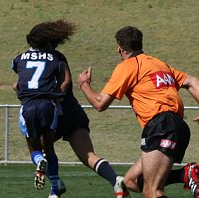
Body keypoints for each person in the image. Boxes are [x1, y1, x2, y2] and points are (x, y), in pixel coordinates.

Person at [78, 25, 199, 198]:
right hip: (177, 126)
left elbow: (100, 103)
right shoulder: (158, 63)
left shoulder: (127, 66)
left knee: (152, 191)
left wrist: (84, 84)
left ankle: (187, 174)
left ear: (119, 48)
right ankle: (184, 174)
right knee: (131, 182)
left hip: (161, 126)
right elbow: (192, 81)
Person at [45, 28, 130, 198]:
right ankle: (115, 180)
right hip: (73, 113)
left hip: (53, 113)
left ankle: (55, 187)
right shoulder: (59, 57)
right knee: (89, 156)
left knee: (39, 150)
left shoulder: (41, 59)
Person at [11, 19, 71, 194]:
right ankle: (54, 190)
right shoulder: (54, 58)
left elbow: (19, 79)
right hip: (48, 104)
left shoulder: (19, 58)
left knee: (33, 145)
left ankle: (38, 161)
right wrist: (57, 98)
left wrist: (18, 88)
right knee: (50, 148)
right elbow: (65, 80)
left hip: (28, 105)